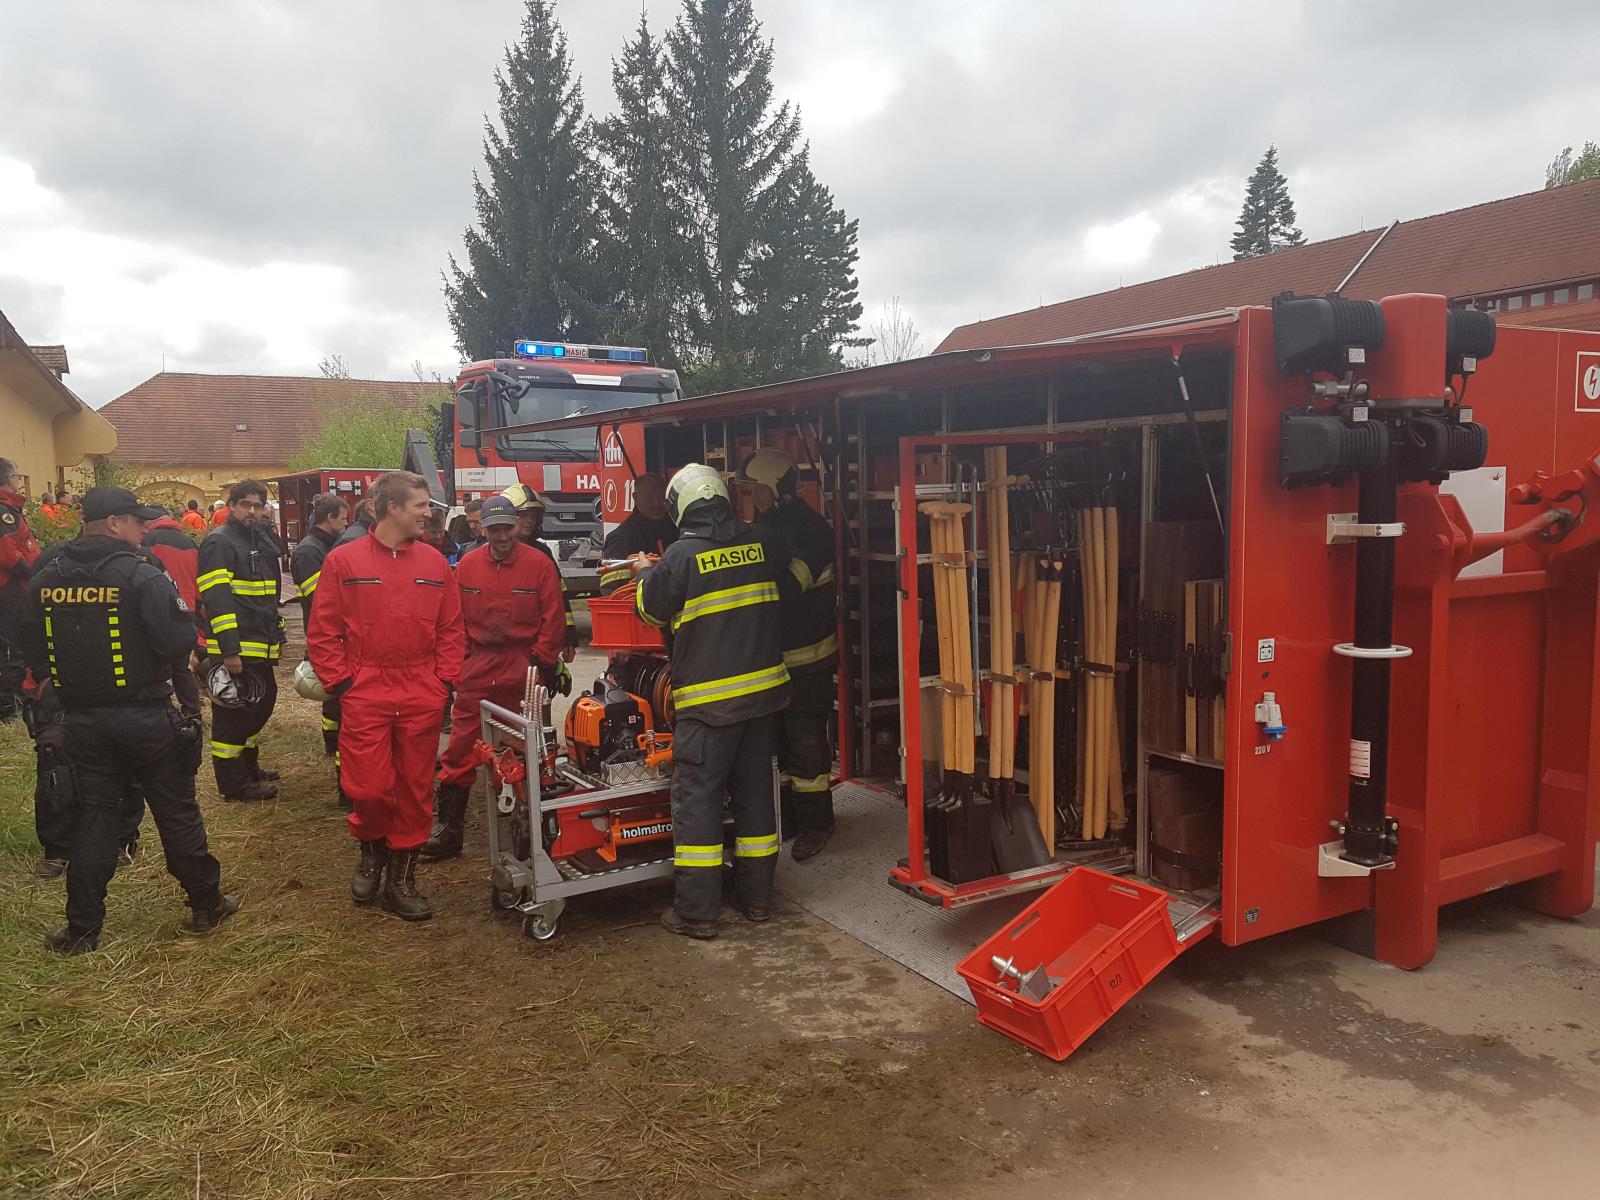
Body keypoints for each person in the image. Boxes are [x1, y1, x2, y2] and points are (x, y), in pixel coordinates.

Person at [16, 487, 237, 954]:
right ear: (114, 523)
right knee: (175, 812)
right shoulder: (141, 575)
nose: (143, 531)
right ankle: (206, 903)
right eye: (137, 522)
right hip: (145, 715)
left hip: (82, 720)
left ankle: (81, 929)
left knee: (94, 817)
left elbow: (30, 644)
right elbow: (177, 642)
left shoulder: (46, 576)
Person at [635, 463, 796, 939]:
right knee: (754, 799)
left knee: (698, 803)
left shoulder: (681, 557)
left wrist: (646, 572)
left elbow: (648, 609)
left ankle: (698, 912)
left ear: (680, 507)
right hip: (763, 699)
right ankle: (759, 900)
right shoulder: (764, 542)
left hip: (707, 708)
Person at [306, 470, 464, 921]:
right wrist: (343, 682)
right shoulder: (344, 561)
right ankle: (371, 850)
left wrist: (443, 681)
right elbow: (323, 630)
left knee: (415, 788)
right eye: (421, 505)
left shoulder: (435, 564)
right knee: (370, 787)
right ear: (392, 508)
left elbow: (452, 628)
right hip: (367, 688)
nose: (429, 512)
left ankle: (402, 877)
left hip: (420, 689)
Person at [422, 495, 563, 861]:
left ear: (517, 525)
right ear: (482, 528)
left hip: (523, 668)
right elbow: (453, 621)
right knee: (459, 749)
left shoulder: (538, 565)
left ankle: (527, 829)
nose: (502, 536)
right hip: (479, 667)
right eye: (494, 529)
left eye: (508, 528)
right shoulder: (467, 567)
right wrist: (457, 668)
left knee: (525, 751)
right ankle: (450, 831)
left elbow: (554, 617)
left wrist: (541, 662)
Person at [736, 450, 839, 862]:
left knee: (806, 743)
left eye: (757, 490)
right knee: (777, 743)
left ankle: (818, 823)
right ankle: (789, 819)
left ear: (777, 489)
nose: (753, 499)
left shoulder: (811, 530)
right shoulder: (766, 525)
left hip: (809, 659)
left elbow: (787, 586)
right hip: (774, 658)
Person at [197, 479, 284, 801]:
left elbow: (264, 595)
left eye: (257, 506)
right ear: (231, 506)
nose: (251, 511)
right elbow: (217, 600)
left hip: (258, 641)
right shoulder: (220, 542)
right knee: (233, 716)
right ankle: (234, 785)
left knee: (261, 703)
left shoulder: (254, 538)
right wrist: (229, 650)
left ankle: (249, 768)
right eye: (245, 504)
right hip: (237, 646)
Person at [289, 493, 349, 802]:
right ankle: (331, 740)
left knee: (335, 698)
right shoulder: (309, 551)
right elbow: (320, 598)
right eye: (342, 518)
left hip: (330, 634)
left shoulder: (323, 546)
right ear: (329, 518)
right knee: (334, 695)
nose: (345, 523)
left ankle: (331, 738)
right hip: (323, 633)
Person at [502, 484, 578, 660]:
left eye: (533, 516)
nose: (529, 521)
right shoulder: (488, 553)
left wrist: (568, 636)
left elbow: (559, 595)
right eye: (523, 516)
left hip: (536, 639)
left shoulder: (543, 553)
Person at [0, 458, 42, 722]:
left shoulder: (10, 510)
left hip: (13, 588)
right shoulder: (4, 512)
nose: (19, 481)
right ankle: (8, 707)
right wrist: (32, 572)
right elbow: (7, 552)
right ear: (6, 478)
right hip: (10, 590)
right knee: (11, 647)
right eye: (17, 476)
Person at [598, 473, 678, 595]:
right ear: (635, 498)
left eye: (661, 497)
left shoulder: (677, 529)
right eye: (649, 499)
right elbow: (611, 589)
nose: (657, 503)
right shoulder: (620, 538)